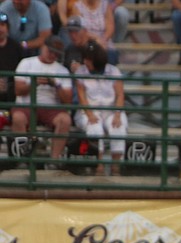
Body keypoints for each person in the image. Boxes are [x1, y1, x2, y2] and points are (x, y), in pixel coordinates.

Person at [11, 36, 73, 168]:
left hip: (51, 107)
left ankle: (54, 161)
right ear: (43, 47)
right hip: (26, 105)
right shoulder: (26, 63)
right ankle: (23, 158)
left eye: (56, 53)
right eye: (50, 51)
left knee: (65, 120)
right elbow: (18, 90)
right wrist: (35, 83)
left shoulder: (62, 70)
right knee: (18, 117)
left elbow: (67, 100)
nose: (52, 55)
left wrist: (56, 84)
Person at [73, 40, 126, 175]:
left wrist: (117, 114)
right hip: (89, 110)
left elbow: (120, 95)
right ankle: (99, 165)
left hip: (111, 110)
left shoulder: (113, 71)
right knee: (95, 128)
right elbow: (82, 97)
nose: (85, 61)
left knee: (118, 127)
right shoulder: (81, 71)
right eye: (85, 58)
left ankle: (115, 166)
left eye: (88, 59)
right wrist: (90, 114)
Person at [0, 13, 23, 103]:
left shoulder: (16, 47)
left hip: (12, 91)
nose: (0, 29)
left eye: (2, 25)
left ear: (7, 28)